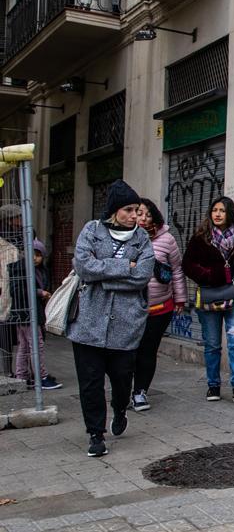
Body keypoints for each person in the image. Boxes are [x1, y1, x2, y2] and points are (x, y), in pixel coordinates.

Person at [67, 180, 154, 458]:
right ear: (114, 211)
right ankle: (95, 433)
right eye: (128, 210)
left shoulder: (142, 240)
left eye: (137, 210)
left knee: (120, 379)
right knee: (90, 382)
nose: (134, 216)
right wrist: (123, 268)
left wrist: (103, 277)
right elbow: (83, 267)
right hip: (88, 323)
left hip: (126, 324)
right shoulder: (92, 231)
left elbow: (142, 275)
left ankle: (119, 408)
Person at [183, 196, 234, 404]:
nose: (217, 214)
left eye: (222, 211)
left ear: (229, 213)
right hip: (209, 294)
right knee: (213, 344)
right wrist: (209, 275)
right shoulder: (201, 237)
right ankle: (213, 385)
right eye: (214, 210)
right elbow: (187, 264)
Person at [130, 198, 186, 412]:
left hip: (159, 306)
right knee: (127, 352)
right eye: (139, 213)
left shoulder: (167, 239)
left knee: (147, 350)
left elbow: (177, 270)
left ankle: (140, 392)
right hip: (130, 307)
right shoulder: (126, 237)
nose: (143, 218)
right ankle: (124, 390)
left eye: (148, 214)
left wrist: (180, 298)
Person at [11, 238, 62, 390]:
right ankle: (41, 377)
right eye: (31, 254)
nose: (34, 258)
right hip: (26, 313)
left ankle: (22, 376)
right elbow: (18, 291)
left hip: (31, 313)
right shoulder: (20, 269)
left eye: (38, 255)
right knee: (35, 345)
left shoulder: (41, 271)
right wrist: (40, 293)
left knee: (25, 346)